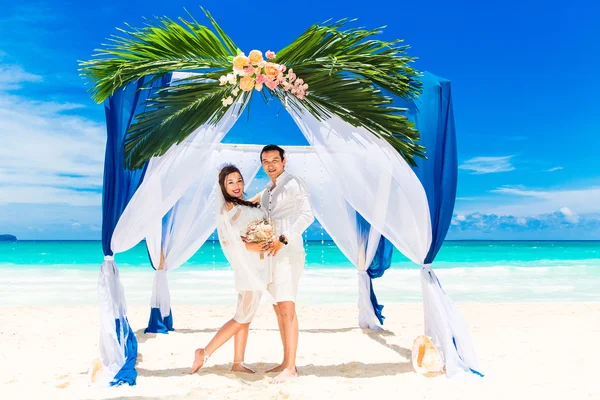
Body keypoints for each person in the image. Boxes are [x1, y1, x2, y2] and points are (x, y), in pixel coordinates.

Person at [190, 165, 271, 374]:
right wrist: (251, 245)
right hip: (247, 266)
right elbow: (226, 240)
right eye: (230, 182)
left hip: (257, 264)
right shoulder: (227, 207)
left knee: (245, 315)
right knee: (243, 316)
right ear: (223, 186)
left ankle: (237, 363)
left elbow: (257, 201)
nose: (236, 185)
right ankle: (204, 352)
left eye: (239, 180)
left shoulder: (244, 203)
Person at [259, 144, 315, 383]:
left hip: (288, 250)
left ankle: (291, 367)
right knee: (277, 307)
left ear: (284, 161)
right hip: (272, 253)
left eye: (274, 160)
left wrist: (283, 239)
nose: (270, 164)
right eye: (265, 161)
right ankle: (285, 361)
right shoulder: (267, 189)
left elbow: (307, 215)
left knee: (287, 306)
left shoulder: (293, 183)